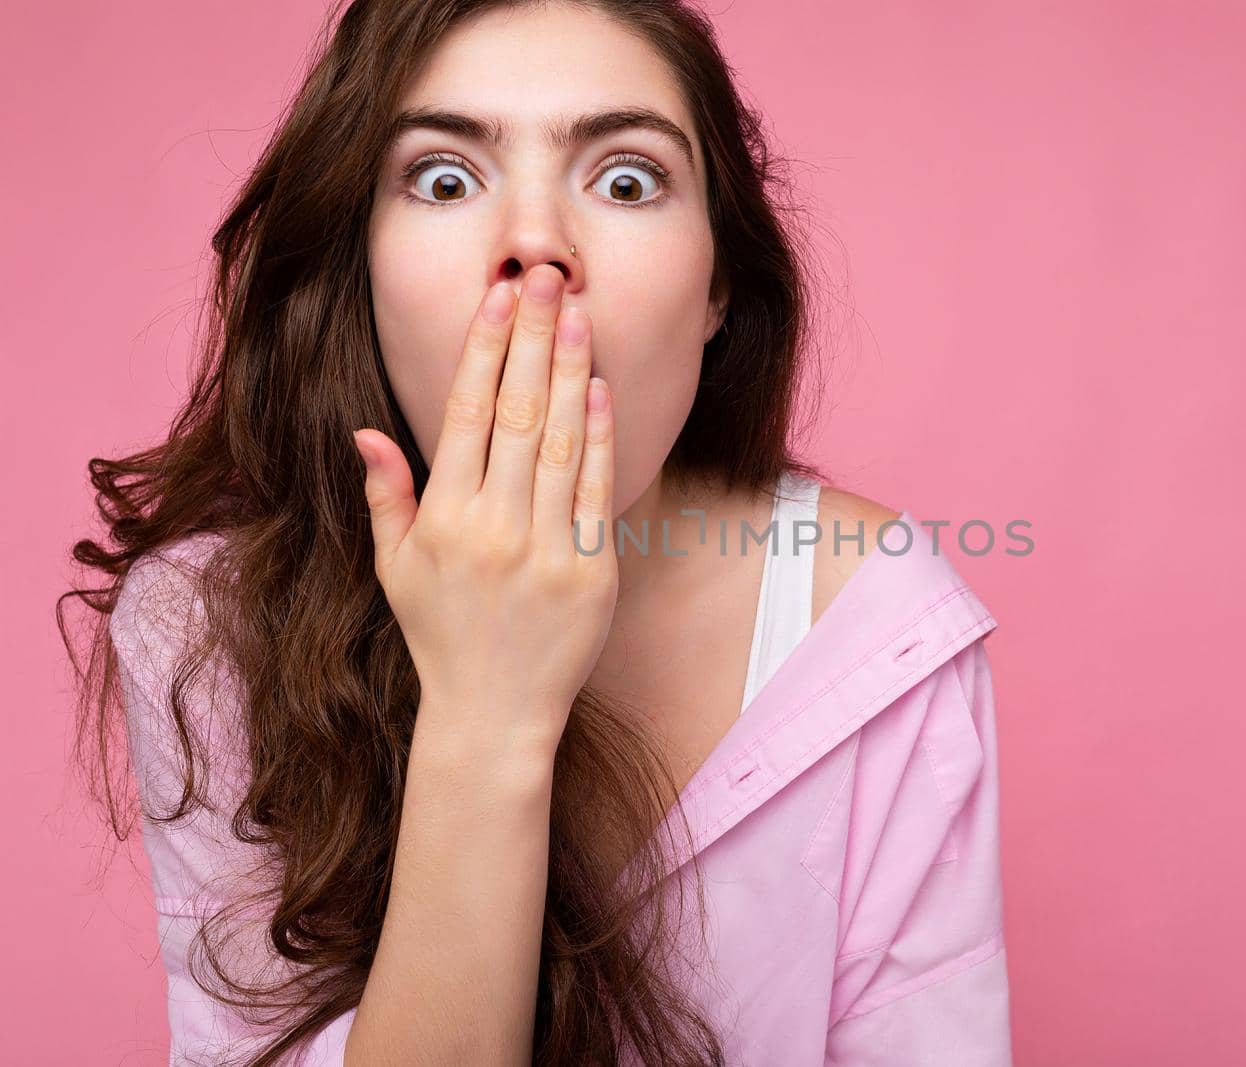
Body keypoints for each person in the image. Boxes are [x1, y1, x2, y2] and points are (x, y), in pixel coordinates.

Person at [72, 1, 1012, 1062]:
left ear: (718, 287)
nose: (534, 247)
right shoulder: (204, 624)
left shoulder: (875, 619)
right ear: (359, 272)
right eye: (443, 177)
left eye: (624, 180)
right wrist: (487, 710)